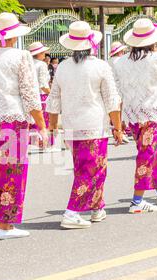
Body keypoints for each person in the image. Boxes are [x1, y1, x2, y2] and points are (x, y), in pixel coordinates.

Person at [0, 12, 47, 240]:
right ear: (14, 36)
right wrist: (41, 125)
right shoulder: (21, 56)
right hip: (11, 118)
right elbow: (30, 94)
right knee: (13, 172)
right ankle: (5, 225)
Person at [47, 21, 122, 229]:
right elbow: (111, 100)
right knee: (92, 170)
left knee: (86, 168)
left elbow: (54, 100)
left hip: (71, 127)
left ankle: (97, 207)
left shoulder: (62, 67)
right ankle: (72, 211)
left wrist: (53, 127)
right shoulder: (100, 66)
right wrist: (117, 126)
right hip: (94, 125)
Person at [113, 18, 157, 214]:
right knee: (149, 154)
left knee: (152, 152)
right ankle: (137, 200)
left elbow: (117, 90)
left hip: (133, 113)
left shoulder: (121, 61)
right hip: (153, 111)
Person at [28, 41, 53, 149]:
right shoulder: (42, 65)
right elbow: (43, 84)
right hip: (41, 95)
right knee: (43, 120)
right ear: (39, 53)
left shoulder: (27, 64)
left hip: (29, 95)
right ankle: (44, 143)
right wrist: (52, 94)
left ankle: (34, 142)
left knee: (32, 120)